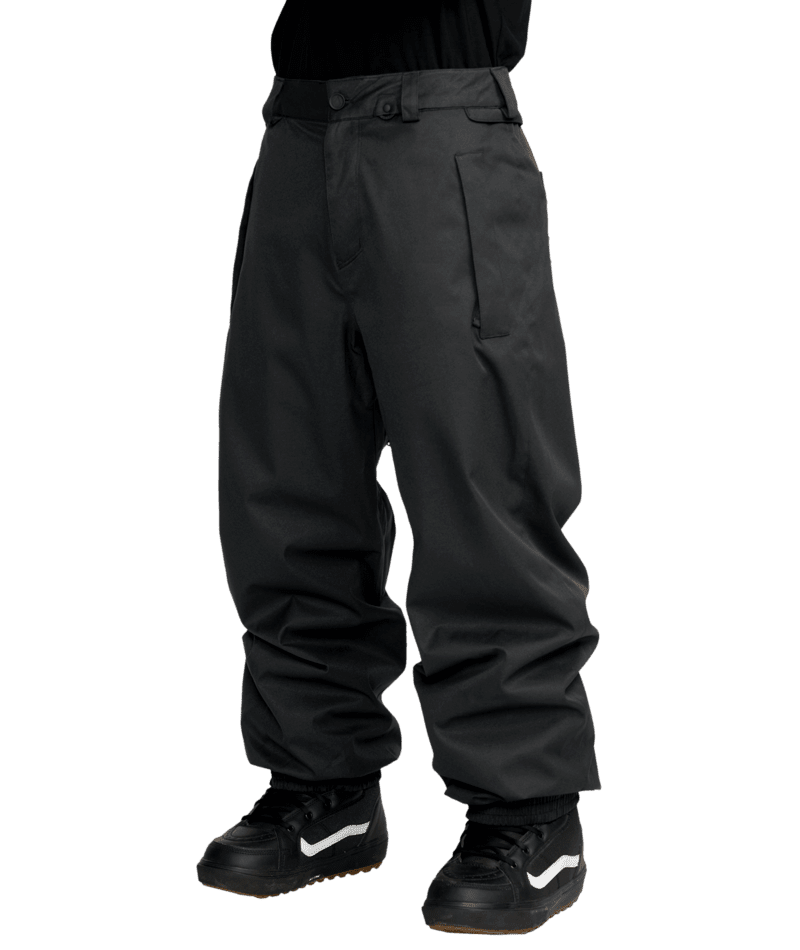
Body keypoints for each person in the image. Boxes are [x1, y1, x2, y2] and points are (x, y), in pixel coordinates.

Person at [196, 1, 601, 935]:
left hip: (442, 125)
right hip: (296, 128)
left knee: (481, 479)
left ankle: (530, 812)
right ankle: (324, 787)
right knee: (285, 482)